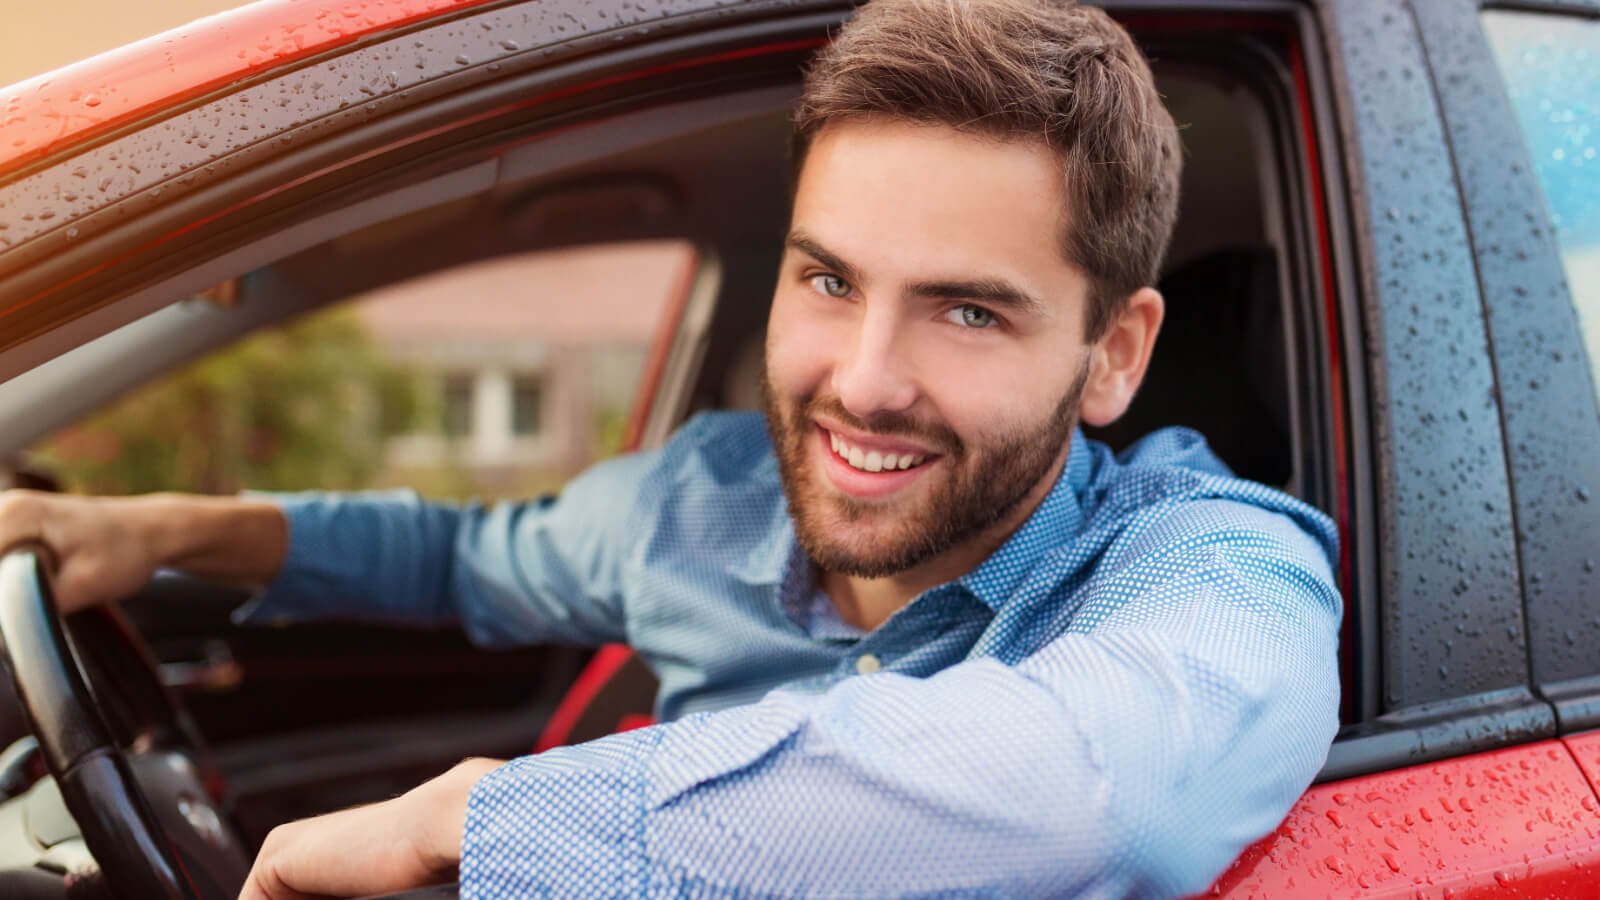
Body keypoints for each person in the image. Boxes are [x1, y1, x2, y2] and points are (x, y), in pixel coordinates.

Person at [0, 1, 1343, 896]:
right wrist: (153, 530)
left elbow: (1095, 795)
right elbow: (459, 558)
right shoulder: (704, 500)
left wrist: (473, 822)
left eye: (970, 310)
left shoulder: (1214, 564)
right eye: (828, 282)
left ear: (1113, 353)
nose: (864, 383)